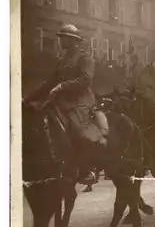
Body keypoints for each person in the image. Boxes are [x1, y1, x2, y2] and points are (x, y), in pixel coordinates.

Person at [23, 24, 108, 184]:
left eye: (64, 38)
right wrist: (27, 99)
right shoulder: (62, 60)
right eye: (61, 38)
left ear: (74, 41)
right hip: (60, 101)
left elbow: (85, 80)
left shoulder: (85, 58)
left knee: (77, 130)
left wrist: (62, 86)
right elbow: (49, 83)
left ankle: (85, 169)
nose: (61, 41)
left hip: (80, 101)